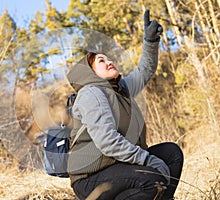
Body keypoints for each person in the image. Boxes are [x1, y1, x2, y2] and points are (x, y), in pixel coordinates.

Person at [66, 10, 184, 200]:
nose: (109, 61)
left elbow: (144, 71)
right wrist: (147, 159)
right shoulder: (91, 93)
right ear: (90, 72)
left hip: (117, 166)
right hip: (90, 179)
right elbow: (107, 141)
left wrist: (150, 42)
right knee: (150, 179)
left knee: (171, 154)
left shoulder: (119, 89)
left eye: (108, 58)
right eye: (101, 61)